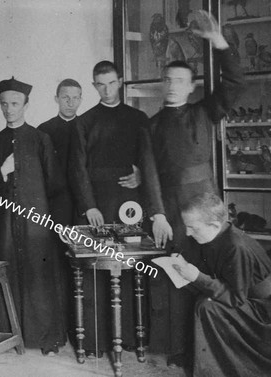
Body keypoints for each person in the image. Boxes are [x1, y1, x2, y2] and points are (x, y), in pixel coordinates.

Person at [145, 10, 245, 366]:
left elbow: (234, 83)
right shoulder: (152, 125)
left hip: (205, 208)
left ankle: (212, 349)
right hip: (171, 212)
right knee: (177, 277)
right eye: (168, 79)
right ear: (163, 83)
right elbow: (151, 171)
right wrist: (157, 213)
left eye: (180, 80)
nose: (173, 85)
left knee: (209, 275)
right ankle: (180, 349)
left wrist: (218, 42)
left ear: (191, 86)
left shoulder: (205, 112)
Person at [67, 62, 170, 356]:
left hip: (131, 203)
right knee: (97, 272)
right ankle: (98, 341)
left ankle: (131, 338)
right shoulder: (83, 122)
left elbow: (149, 162)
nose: (107, 90)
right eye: (100, 85)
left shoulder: (138, 119)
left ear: (121, 82)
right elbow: (77, 169)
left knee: (131, 270)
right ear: (94, 86)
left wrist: (140, 177)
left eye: (111, 83)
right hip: (98, 204)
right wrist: (88, 206)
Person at [0, 77, 66, 355]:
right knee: (7, 270)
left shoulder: (41, 139)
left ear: (26, 104)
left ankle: (43, 337)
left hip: (36, 221)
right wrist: (2, 172)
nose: (9, 109)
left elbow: (55, 184)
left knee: (38, 275)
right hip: (5, 221)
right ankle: (8, 335)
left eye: (15, 104)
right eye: (4, 104)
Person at [171, 192, 271, 377]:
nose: (188, 233)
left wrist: (196, 277)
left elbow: (236, 298)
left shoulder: (236, 246)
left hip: (267, 310)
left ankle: (213, 370)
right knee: (201, 299)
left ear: (213, 225)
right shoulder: (218, 235)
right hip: (249, 298)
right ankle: (207, 364)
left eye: (192, 228)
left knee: (207, 306)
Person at [37, 78, 83, 343]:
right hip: (56, 207)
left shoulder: (86, 125)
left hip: (83, 206)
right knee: (57, 266)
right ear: (56, 98)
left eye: (76, 97)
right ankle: (58, 328)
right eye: (65, 97)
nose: (71, 103)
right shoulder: (44, 131)